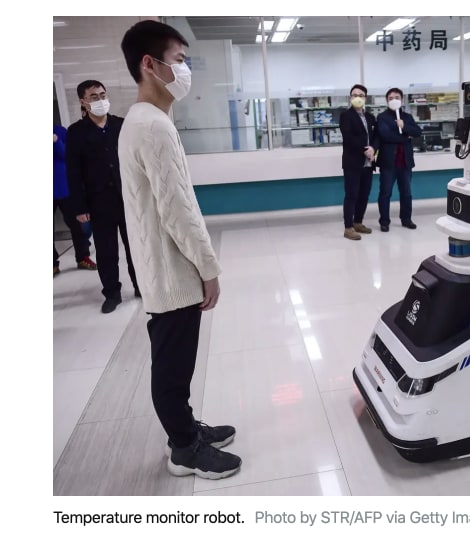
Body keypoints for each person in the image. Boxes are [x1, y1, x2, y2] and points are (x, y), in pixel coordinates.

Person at [119, 20, 241, 479]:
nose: (185, 71)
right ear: (149, 65)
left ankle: (188, 428)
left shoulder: (147, 120)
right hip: (172, 271)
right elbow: (178, 212)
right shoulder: (152, 126)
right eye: (180, 61)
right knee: (172, 366)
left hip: (164, 264)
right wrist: (208, 268)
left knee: (175, 360)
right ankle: (184, 449)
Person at [66, 80, 139, 313]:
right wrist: (79, 207)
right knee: (106, 251)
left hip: (128, 198)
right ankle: (112, 293)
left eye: (102, 95)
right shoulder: (76, 133)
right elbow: (73, 171)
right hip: (98, 202)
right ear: (83, 102)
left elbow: (135, 161)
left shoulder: (121, 124)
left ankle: (141, 286)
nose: (100, 100)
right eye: (94, 96)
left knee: (136, 247)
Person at [376, 87, 422, 232]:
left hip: (405, 162)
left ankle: (406, 219)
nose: (393, 100)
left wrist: (405, 126)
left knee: (406, 192)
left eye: (396, 97)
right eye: (390, 98)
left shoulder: (407, 117)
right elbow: (385, 135)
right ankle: (384, 221)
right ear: (386, 101)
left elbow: (417, 132)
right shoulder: (382, 117)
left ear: (402, 100)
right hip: (388, 162)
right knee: (385, 193)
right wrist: (404, 137)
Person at [54, 124, 97, 276]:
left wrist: (56, 140)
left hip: (65, 187)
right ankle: (52, 264)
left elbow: (67, 155)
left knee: (78, 225)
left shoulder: (60, 131)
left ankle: (83, 257)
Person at [338, 84, 378, 241]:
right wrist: (365, 149)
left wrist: (373, 149)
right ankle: (348, 228)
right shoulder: (345, 116)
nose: (357, 98)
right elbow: (348, 138)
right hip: (352, 162)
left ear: (365, 98)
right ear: (350, 98)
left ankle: (358, 222)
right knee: (351, 195)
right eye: (354, 95)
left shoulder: (370, 117)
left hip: (368, 163)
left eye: (360, 95)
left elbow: (376, 136)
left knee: (364, 195)